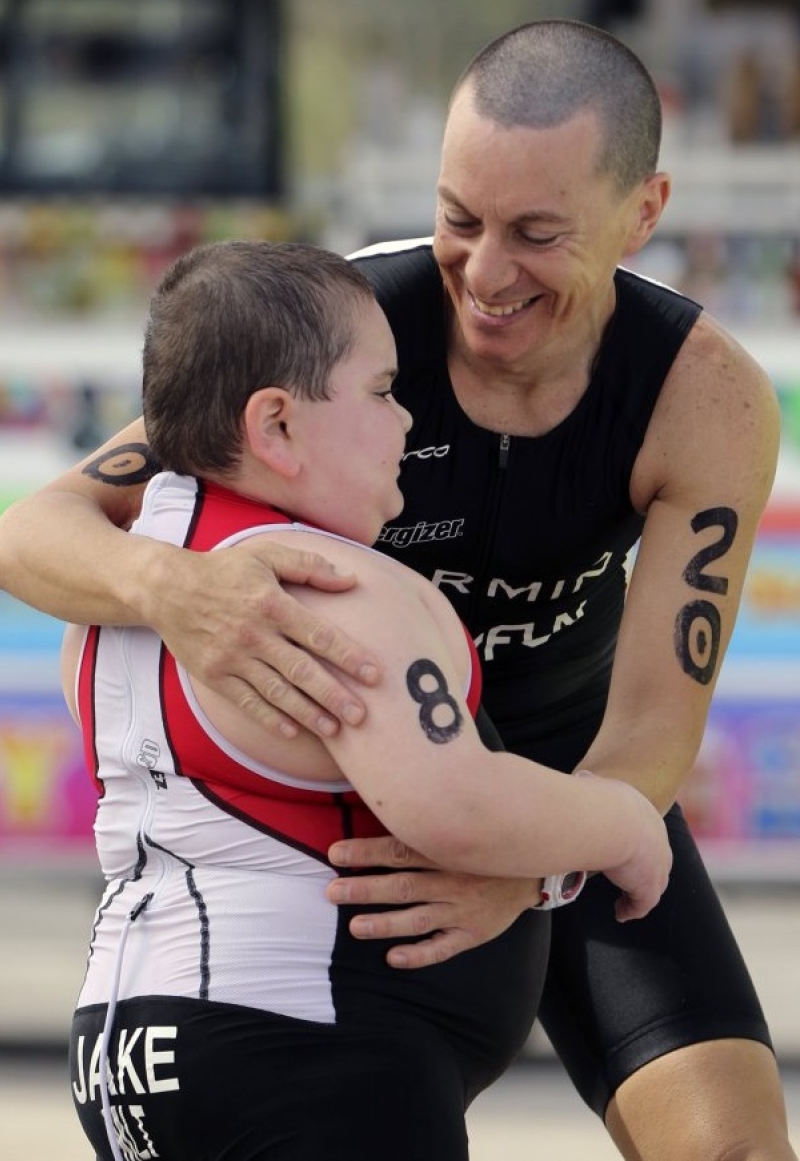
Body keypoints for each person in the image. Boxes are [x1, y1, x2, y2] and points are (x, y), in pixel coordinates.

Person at [0, 19, 795, 1161]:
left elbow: (652, 739)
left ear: (643, 213)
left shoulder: (704, 397)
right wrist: (177, 590)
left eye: (536, 233)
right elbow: (30, 535)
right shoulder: (346, 327)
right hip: (355, 800)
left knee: (736, 1149)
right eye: (460, 218)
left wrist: (527, 864)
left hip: (561, 778)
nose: (486, 271)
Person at [57, 238, 670, 1161]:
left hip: (126, 1051)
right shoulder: (332, 588)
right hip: (299, 1052)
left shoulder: (110, 605)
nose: (406, 420)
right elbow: (455, 803)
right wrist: (623, 823)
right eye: (382, 391)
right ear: (276, 427)